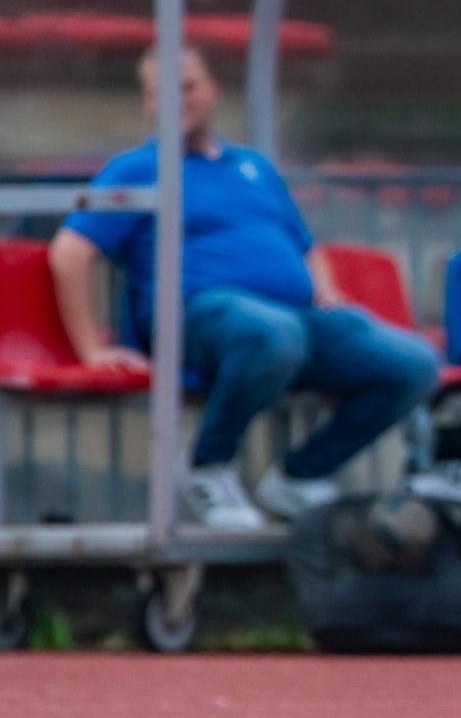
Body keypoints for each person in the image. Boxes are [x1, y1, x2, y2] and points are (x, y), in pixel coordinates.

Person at [48, 43, 440, 527]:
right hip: (199, 314)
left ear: (212, 91)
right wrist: (91, 347)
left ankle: (300, 475)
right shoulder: (136, 168)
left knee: (413, 363)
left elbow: (305, 245)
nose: (174, 101)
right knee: (271, 333)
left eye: (186, 88)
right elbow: (70, 252)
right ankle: (207, 464)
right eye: (158, 92)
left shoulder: (253, 167)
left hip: (294, 318)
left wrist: (324, 289)